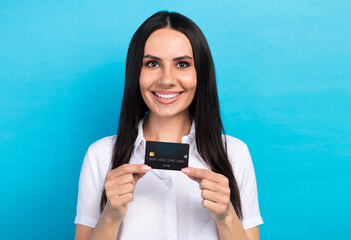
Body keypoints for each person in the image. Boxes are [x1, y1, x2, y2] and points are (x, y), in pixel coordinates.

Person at [74, 11, 263, 240]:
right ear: (136, 72)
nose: (166, 80)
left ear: (200, 74)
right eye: (152, 63)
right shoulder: (101, 155)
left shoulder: (234, 153)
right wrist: (111, 215)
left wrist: (226, 216)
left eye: (182, 64)